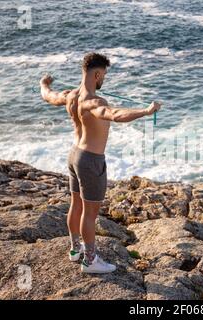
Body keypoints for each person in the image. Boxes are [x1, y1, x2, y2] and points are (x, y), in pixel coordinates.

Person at [40, 52, 162, 273]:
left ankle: (75, 250)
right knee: (90, 213)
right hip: (90, 161)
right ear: (97, 74)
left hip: (74, 155)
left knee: (76, 205)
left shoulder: (71, 96)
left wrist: (43, 83)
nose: (104, 79)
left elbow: (48, 96)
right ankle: (90, 260)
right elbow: (113, 114)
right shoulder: (94, 102)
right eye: (104, 75)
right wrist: (146, 111)